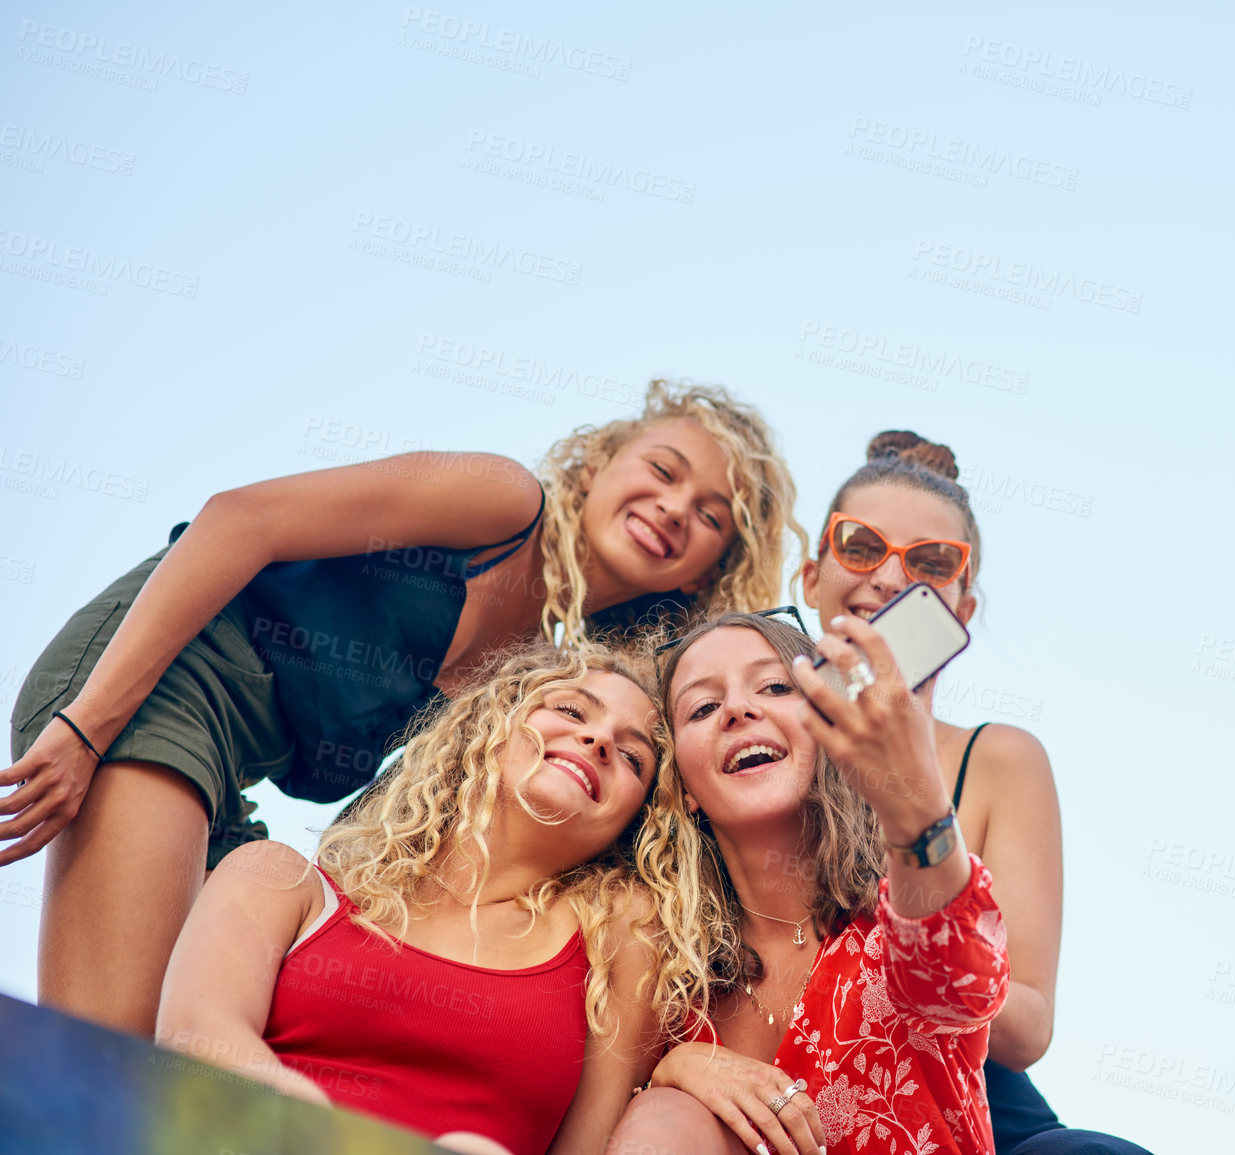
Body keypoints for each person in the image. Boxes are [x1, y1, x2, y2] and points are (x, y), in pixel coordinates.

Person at [2, 380, 803, 1037]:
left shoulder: (557, 680)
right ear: (596, 464)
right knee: (113, 1049)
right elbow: (239, 519)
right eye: (662, 471)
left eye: (710, 515)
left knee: (239, 1026)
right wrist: (86, 725)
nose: (674, 507)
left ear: (706, 574)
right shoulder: (502, 503)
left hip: (228, 783)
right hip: (159, 682)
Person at [156, 639, 668, 1155]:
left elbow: (585, 1146)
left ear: (635, 823)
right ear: (493, 721)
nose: (598, 740)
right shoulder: (276, 880)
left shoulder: (618, 942)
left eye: (633, 757)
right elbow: (196, 1039)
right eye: (572, 710)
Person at [800, 432, 1152, 1155]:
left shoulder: (998, 760)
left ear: (962, 605)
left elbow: (1026, 1025)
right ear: (809, 575)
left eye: (931, 564)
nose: (890, 580)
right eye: (860, 545)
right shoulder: (746, 747)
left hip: (973, 1108)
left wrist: (921, 941)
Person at [610, 612, 1009, 1155]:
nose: (737, 710)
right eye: (703, 707)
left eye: (775, 686)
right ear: (683, 789)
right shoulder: (668, 978)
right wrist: (674, 1071)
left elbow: (960, 987)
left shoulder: (894, 919)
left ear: (832, 731)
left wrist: (916, 800)